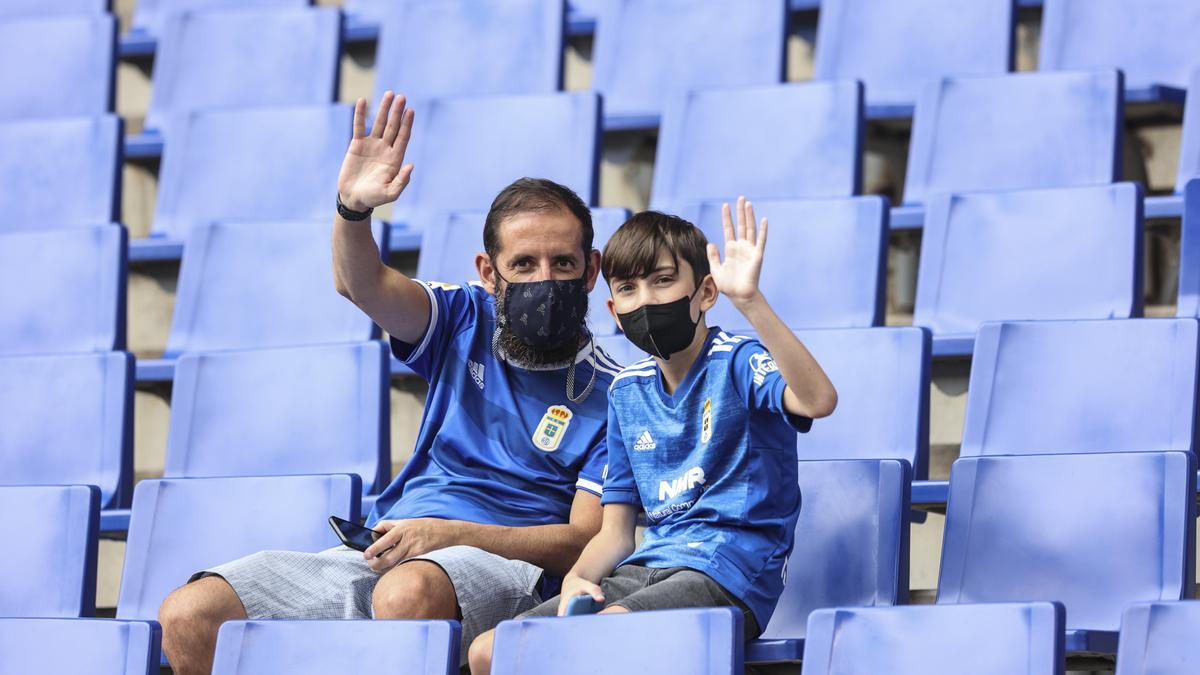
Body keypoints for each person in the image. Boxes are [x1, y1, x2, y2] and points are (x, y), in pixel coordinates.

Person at [157, 91, 622, 674]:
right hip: (389, 549)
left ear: (591, 271)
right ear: (489, 272)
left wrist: (454, 536)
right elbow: (362, 285)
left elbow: (585, 540)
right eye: (523, 265)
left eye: (563, 264)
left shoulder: (620, 393)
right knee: (191, 612)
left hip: (510, 571)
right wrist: (353, 211)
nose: (543, 279)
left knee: (406, 596)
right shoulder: (463, 318)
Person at [468, 199, 838, 674]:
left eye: (663, 281)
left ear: (705, 292)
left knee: (610, 635)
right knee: (489, 651)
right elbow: (616, 534)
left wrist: (751, 302)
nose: (646, 300)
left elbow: (817, 401)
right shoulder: (625, 391)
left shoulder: (739, 360)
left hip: (731, 571)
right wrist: (579, 579)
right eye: (628, 288)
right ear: (614, 311)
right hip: (646, 569)